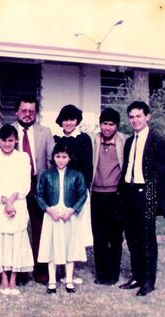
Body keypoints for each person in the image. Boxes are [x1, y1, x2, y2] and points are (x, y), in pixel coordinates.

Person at [118, 101, 165, 297]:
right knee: (132, 239)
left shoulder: (157, 140)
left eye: (138, 116)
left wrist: (151, 197)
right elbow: (127, 168)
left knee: (147, 239)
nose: (134, 120)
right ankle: (137, 276)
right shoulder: (130, 142)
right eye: (131, 117)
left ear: (147, 117)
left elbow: (162, 173)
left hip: (147, 194)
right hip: (129, 193)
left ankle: (149, 281)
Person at [0, 125, 34, 295]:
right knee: (1, 242)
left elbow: (25, 184)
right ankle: (3, 279)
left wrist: (12, 201)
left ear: (16, 140)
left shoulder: (23, 157)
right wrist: (4, 201)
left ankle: (13, 279)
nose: (7, 144)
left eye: (11, 140)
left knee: (16, 242)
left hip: (17, 204)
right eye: (4, 140)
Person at [9, 96, 55, 284]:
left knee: (40, 229)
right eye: (23, 110)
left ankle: (41, 270)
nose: (27, 114)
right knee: (17, 228)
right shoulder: (8, 131)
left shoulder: (45, 132)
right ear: (16, 112)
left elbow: (53, 160)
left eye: (31, 111)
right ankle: (18, 272)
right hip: (15, 186)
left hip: (38, 185)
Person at [36, 141, 87, 294]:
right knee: (52, 247)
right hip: (52, 215)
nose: (61, 160)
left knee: (69, 247)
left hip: (68, 216)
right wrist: (48, 210)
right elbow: (38, 194)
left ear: (70, 158)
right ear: (53, 157)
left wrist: (72, 210)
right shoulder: (46, 174)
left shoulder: (76, 175)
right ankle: (52, 281)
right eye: (57, 156)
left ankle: (69, 280)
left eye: (64, 157)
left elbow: (82, 194)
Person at [54, 104, 93, 284]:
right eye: (65, 119)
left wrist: (82, 189)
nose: (68, 123)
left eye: (72, 119)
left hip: (77, 190)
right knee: (60, 230)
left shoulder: (83, 139)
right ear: (61, 121)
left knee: (75, 231)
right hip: (60, 190)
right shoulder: (56, 139)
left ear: (77, 121)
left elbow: (88, 168)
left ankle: (72, 271)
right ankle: (60, 270)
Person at [91, 107, 126, 285]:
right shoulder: (94, 141)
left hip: (115, 196)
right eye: (104, 123)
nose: (107, 128)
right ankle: (101, 273)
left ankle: (113, 273)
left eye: (111, 124)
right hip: (97, 194)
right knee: (99, 237)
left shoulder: (123, 142)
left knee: (115, 237)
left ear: (117, 126)